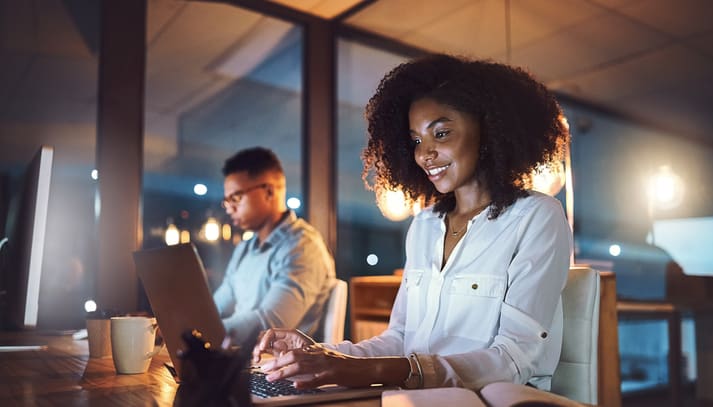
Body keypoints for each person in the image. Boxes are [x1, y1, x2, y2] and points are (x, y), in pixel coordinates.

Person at [252, 54, 574, 392]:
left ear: (491, 129)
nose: (424, 154)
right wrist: (320, 355)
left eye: (442, 133)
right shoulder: (424, 226)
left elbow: (514, 359)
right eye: (417, 140)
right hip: (413, 399)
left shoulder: (537, 217)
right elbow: (402, 339)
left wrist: (371, 371)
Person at [214, 147, 336, 345]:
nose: (230, 208)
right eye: (227, 201)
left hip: (280, 367)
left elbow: (270, 324)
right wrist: (181, 324)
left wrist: (201, 330)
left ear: (269, 192)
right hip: (242, 360)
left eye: (236, 198)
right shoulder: (245, 248)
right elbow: (217, 306)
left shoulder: (303, 247)